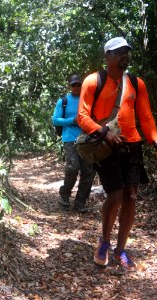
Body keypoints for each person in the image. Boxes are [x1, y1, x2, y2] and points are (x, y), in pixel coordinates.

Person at [77, 37, 157, 271]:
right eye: (118, 52)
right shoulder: (93, 81)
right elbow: (82, 117)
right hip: (107, 146)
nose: (124, 55)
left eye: (126, 51)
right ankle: (104, 243)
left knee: (131, 196)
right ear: (107, 56)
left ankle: (120, 250)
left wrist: (156, 143)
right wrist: (103, 132)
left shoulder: (137, 84)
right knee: (115, 195)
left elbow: (146, 117)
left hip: (133, 145)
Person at [52, 74, 96, 213]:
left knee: (89, 171)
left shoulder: (88, 99)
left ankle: (80, 202)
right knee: (73, 167)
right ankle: (64, 194)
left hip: (86, 139)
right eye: (74, 85)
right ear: (69, 86)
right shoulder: (63, 101)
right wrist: (72, 120)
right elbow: (55, 120)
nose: (76, 87)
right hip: (70, 139)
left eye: (78, 84)